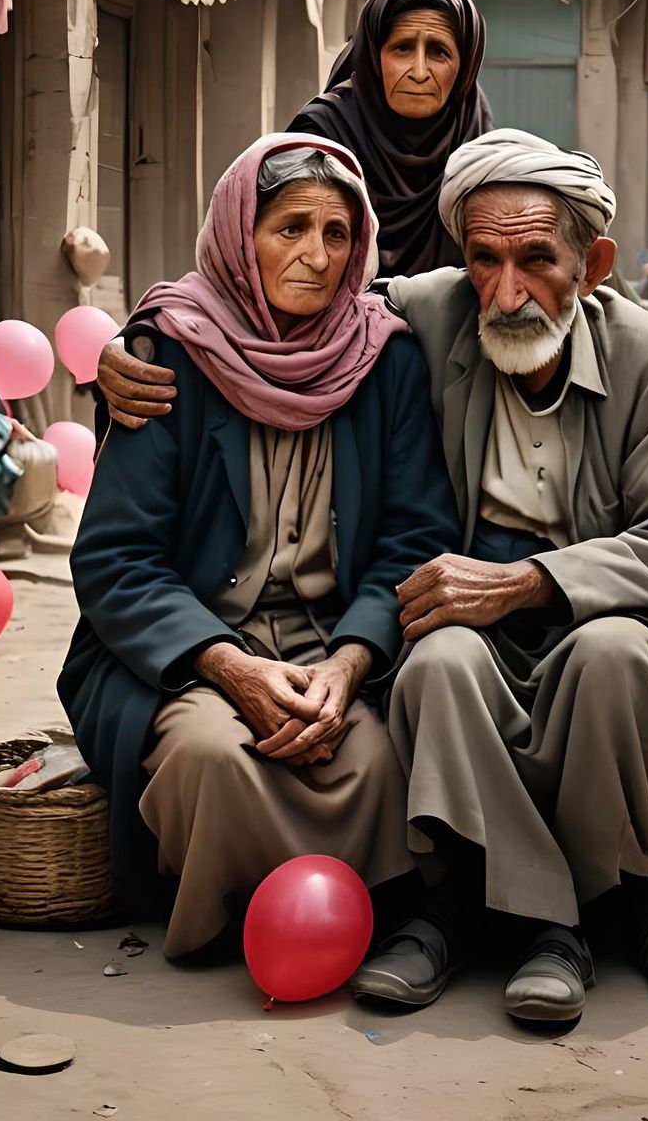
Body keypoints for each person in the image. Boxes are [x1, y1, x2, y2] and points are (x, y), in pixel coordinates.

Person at [96, 131, 648, 1025]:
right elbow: (273, 296)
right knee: (438, 664)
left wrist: (532, 581)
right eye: (484, 260)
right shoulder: (426, 314)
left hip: (632, 621)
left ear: (594, 262)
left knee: (608, 656)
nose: (506, 290)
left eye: (538, 259)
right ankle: (491, 915)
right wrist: (126, 344)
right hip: (474, 623)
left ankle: (646, 899)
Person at [60, 136, 460, 958]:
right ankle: (238, 922)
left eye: (337, 233)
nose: (316, 257)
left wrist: (349, 666)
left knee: (380, 757)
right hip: (189, 651)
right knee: (213, 756)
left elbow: (413, 539)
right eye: (289, 229)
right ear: (242, 234)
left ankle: (360, 924)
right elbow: (115, 558)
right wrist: (230, 668)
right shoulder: (169, 352)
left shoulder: (386, 360)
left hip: (336, 642)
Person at [288, 0, 493, 279]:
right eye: (403, 48)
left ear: (464, 67)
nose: (420, 72)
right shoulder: (321, 136)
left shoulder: (473, 134)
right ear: (373, 56)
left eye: (439, 52)